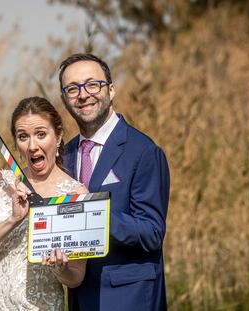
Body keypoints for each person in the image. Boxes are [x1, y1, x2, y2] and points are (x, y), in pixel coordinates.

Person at [59, 53, 170, 311]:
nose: (83, 94)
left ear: (111, 90)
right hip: (79, 296)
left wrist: (93, 213)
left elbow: (152, 232)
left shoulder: (143, 151)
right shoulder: (65, 154)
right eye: (72, 88)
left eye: (92, 84)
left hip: (128, 297)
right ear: (64, 99)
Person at [0, 96, 87, 310]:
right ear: (15, 143)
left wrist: (60, 269)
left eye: (41, 134)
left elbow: (76, 277)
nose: (32, 146)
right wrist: (13, 219)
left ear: (58, 137)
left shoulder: (76, 194)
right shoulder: (0, 182)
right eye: (23, 136)